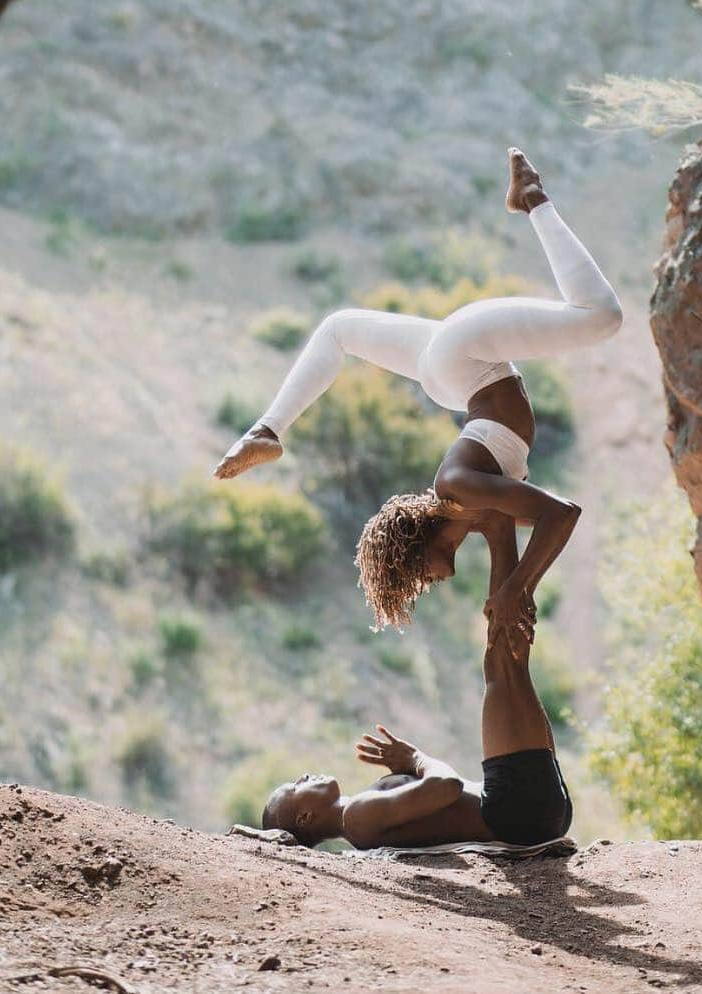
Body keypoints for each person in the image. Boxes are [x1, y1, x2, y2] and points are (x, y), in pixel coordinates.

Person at [213, 148, 622, 647]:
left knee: (603, 317)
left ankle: (533, 197)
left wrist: (517, 590)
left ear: (414, 550)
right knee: (339, 329)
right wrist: (508, 615)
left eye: (415, 577)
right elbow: (513, 560)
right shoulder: (474, 512)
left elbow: (562, 514)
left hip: (465, 358)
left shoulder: (457, 486)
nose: (427, 584)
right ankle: (267, 429)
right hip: (451, 377)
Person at [259, 514, 571, 850]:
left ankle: (500, 527)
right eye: (295, 786)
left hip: (526, 811)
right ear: (305, 818)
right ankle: (498, 526)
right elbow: (447, 785)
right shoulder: (357, 817)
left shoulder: (360, 815)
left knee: (507, 662)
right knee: (501, 666)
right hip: (516, 812)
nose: (304, 776)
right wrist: (416, 759)